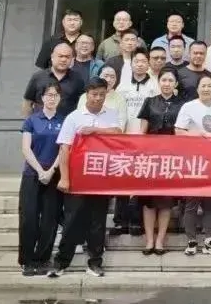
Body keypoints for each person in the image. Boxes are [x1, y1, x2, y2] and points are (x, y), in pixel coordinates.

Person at [48, 77, 122, 278]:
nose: (97, 98)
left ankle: (95, 262)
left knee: (98, 222)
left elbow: (117, 133)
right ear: (86, 94)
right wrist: (64, 178)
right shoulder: (74, 117)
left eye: (101, 94)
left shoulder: (111, 114)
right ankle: (61, 262)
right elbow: (64, 149)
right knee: (72, 221)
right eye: (94, 94)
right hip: (77, 179)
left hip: (101, 179)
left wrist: (95, 130)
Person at [175, 74, 211, 256]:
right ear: (197, 88)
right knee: (192, 202)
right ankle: (191, 240)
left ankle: (209, 240)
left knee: (210, 203)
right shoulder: (188, 107)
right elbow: (178, 131)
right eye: (203, 85)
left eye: (209, 86)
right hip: (194, 160)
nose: (206, 89)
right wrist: (196, 136)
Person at [18, 83, 65, 276]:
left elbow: (64, 149)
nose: (52, 98)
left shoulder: (64, 121)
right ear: (42, 98)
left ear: (60, 98)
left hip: (54, 176)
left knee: (50, 219)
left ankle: (43, 259)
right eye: (48, 95)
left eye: (55, 95)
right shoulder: (32, 120)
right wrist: (40, 171)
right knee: (28, 218)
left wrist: (51, 171)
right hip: (32, 174)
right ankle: (27, 260)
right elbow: (26, 148)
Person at [136, 70, 184, 255]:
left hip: (172, 157)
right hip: (150, 156)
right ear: (159, 82)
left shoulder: (183, 104)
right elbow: (142, 131)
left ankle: (160, 240)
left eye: (170, 80)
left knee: (166, 200)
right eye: (163, 80)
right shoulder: (149, 101)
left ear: (176, 83)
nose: (167, 83)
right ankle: (149, 240)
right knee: (148, 200)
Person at [111, 48, 158, 237]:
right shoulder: (122, 87)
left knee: (141, 180)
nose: (139, 64)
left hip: (145, 140)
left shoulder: (154, 86)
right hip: (124, 139)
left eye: (143, 61)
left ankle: (136, 221)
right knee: (122, 180)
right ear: (131, 64)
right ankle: (120, 221)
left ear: (148, 64)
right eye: (136, 61)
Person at [23, 42, 86, 118]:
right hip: (41, 123)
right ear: (52, 57)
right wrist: (28, 122)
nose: (63, 59)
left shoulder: (77, 79)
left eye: (67, 57)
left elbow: (83, 103)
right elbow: (28, 102)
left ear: (72, 59)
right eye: (60, 56)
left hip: (67, 123)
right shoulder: (38, 77)